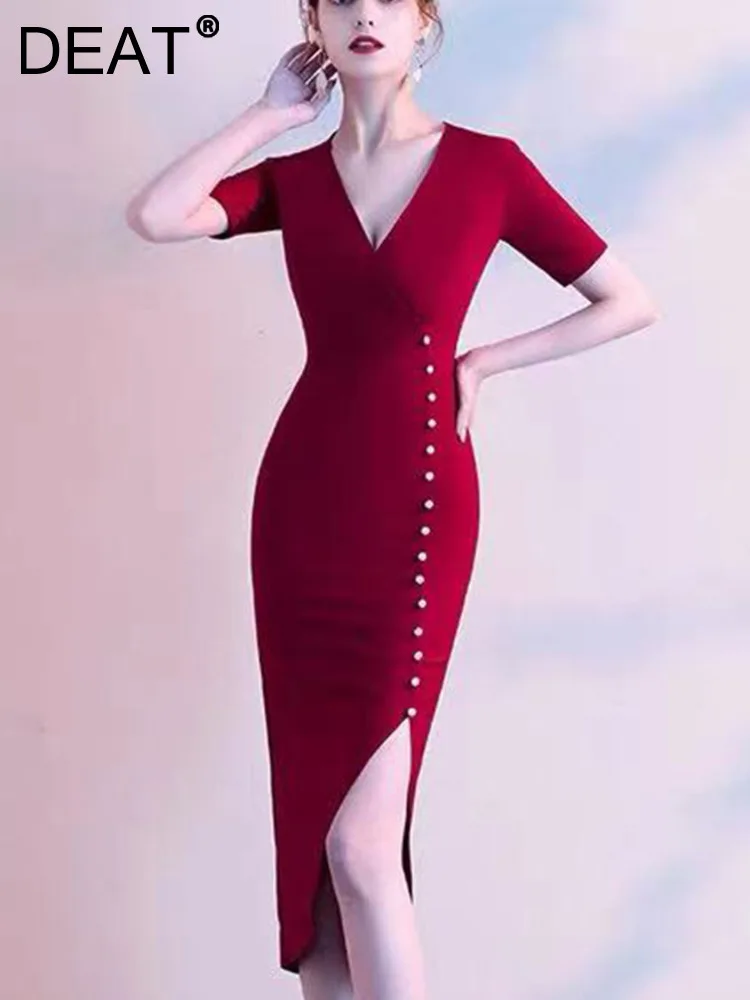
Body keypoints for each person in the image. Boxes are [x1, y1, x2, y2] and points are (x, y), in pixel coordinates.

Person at [126, 2, 659, 997]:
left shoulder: (489, 168)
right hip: (300, 509)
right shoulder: (292, 180)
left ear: (423, 24)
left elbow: (628, 300)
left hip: (417, 500)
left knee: (364, 846)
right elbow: (156, 215)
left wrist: (486, 360)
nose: (364, 13)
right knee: (320, 857)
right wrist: (268, 114)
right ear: (315, 24)